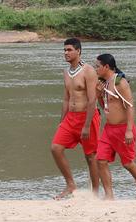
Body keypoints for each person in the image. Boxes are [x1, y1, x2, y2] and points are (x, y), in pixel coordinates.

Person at [92, 53, 136, 200]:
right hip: (108, 129)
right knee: (100, 160)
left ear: (106, 66)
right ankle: (109, 195)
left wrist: (129, 130)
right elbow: (104, 105)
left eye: (97, 66)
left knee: (128, 163)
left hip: (123, 129)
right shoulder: (104, 83)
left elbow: (130, 106)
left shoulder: (120, 83)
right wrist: (99, 93)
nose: (95, 69)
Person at [51, 38, 102, 200]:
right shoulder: (66, 72)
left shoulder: (88, 71)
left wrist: (87, 126)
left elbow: (92, 100)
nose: (66, 53)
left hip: (87, 117)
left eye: (69, 50)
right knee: (56, 148)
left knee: (90, 155)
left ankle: (95, 191)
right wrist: (61, 121)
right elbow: (66, 99)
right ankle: (70, 184)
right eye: (64, 50)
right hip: (70, 118)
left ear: (78, 51)